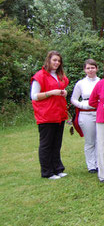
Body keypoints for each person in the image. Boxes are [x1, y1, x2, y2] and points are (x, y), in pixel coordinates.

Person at [31, 50, 69, 179]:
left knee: (56, 143)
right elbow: (34, 96)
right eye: (54, 60)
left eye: (59, 61)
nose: (57, 63)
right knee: (46, 144)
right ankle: (47, 172)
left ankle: (57, 168)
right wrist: (51, 92)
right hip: (46, 115)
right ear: (48, 60)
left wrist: (64, 92)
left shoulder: (60, 76)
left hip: (59, 114)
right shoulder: (40, 76)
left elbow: (63, 87)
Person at [71, 59, 100, 173]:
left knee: (99, 140)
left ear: (96, 68)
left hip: (99, 113)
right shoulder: (81, 83)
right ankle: (91, 165)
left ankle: (99, 163)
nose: (90, 70)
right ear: (84, 70)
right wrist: (82, 105)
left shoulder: (100, 81)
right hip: (86, 113)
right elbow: (73, 99)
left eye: (93, 67)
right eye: (88, 68)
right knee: (90, 141)